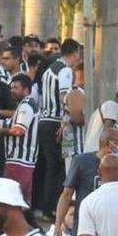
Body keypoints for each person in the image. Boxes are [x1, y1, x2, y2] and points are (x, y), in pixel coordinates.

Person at [55, 128, 118, 236]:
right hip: (85, 231)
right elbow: (66, 194)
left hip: (113, 233)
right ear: (108, 143)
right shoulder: (82, 161)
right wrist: (58, 225)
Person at [36, 40, 82, 213]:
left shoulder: (50, 69)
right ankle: (53, 207)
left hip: (45, 121)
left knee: (51, 167)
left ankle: (47, 206)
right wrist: (71, 113)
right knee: (60, 167)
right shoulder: (65, 71)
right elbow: (64, 96)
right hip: (57, 123)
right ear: (75, 52)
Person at [0, 73, 40, 204]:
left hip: (20, 160)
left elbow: (19, 130)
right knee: (14, 197)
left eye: (15, 87)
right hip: (17, 160)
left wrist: (1, 131)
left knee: (17, 198)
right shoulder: (24, 105)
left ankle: (23, 222)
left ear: (26, 90)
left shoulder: (26, 105)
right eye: (11, 87)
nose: (11, 91)